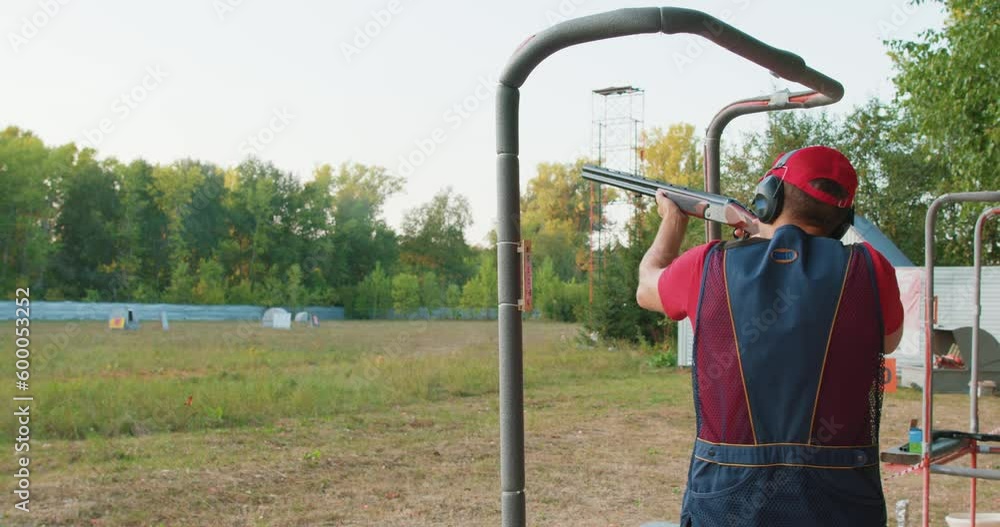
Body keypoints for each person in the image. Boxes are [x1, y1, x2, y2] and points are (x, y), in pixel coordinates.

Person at [635, 146, 904, 527]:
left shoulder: (710, 263)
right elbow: (887, 341)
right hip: (841, 496)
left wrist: (672, 222)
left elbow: (646, 289)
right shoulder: (872, 269)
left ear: (768, 199)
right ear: (843, 220)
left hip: (728, 498)